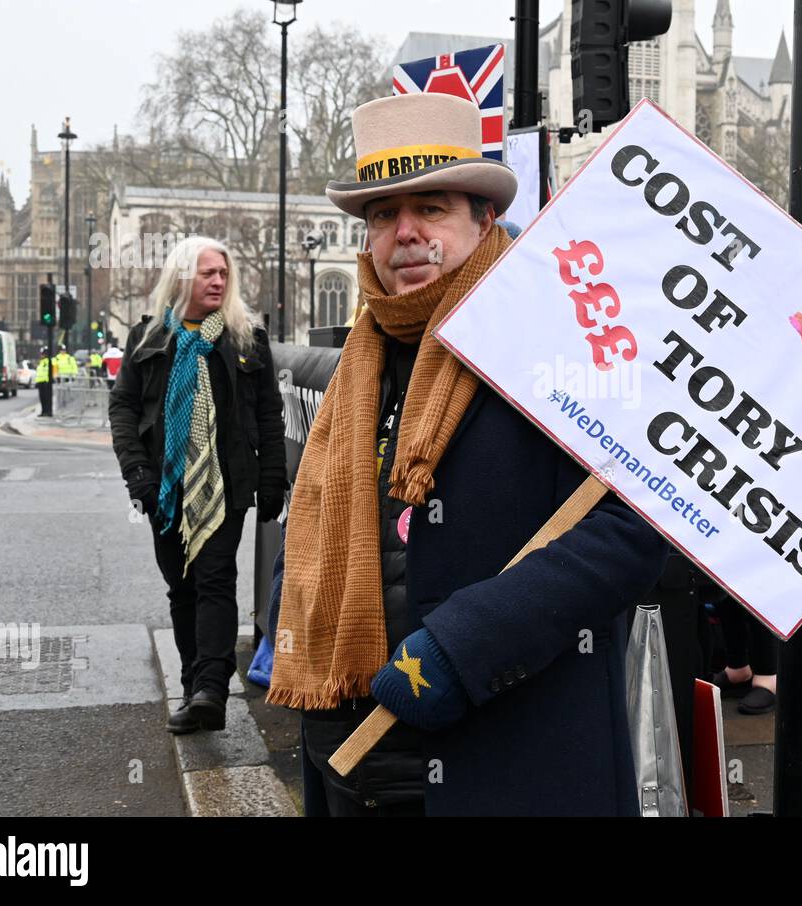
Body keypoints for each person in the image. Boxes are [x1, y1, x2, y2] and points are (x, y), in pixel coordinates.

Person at [266, 92, 668, 816]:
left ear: (483, 221)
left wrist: (462, 648)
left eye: (433, 208)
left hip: (508, 760)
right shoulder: (362, 359)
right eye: (385, 215)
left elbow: (632, 532)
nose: (406, 234)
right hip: (355, 762)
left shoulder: (557, 340)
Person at [109, 236, 287, 734]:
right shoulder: (148, 338)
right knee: (181, 588)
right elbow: (123, 409)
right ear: (182, 277)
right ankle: (193, 685)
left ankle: (211, 688)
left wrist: (272, 478)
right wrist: (138, 475)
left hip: (225, 483)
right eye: (207, 273)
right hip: (164, 487)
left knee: (214, 580)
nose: (217, 281)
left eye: (223, 274)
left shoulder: (245, 337)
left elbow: (267, 413)